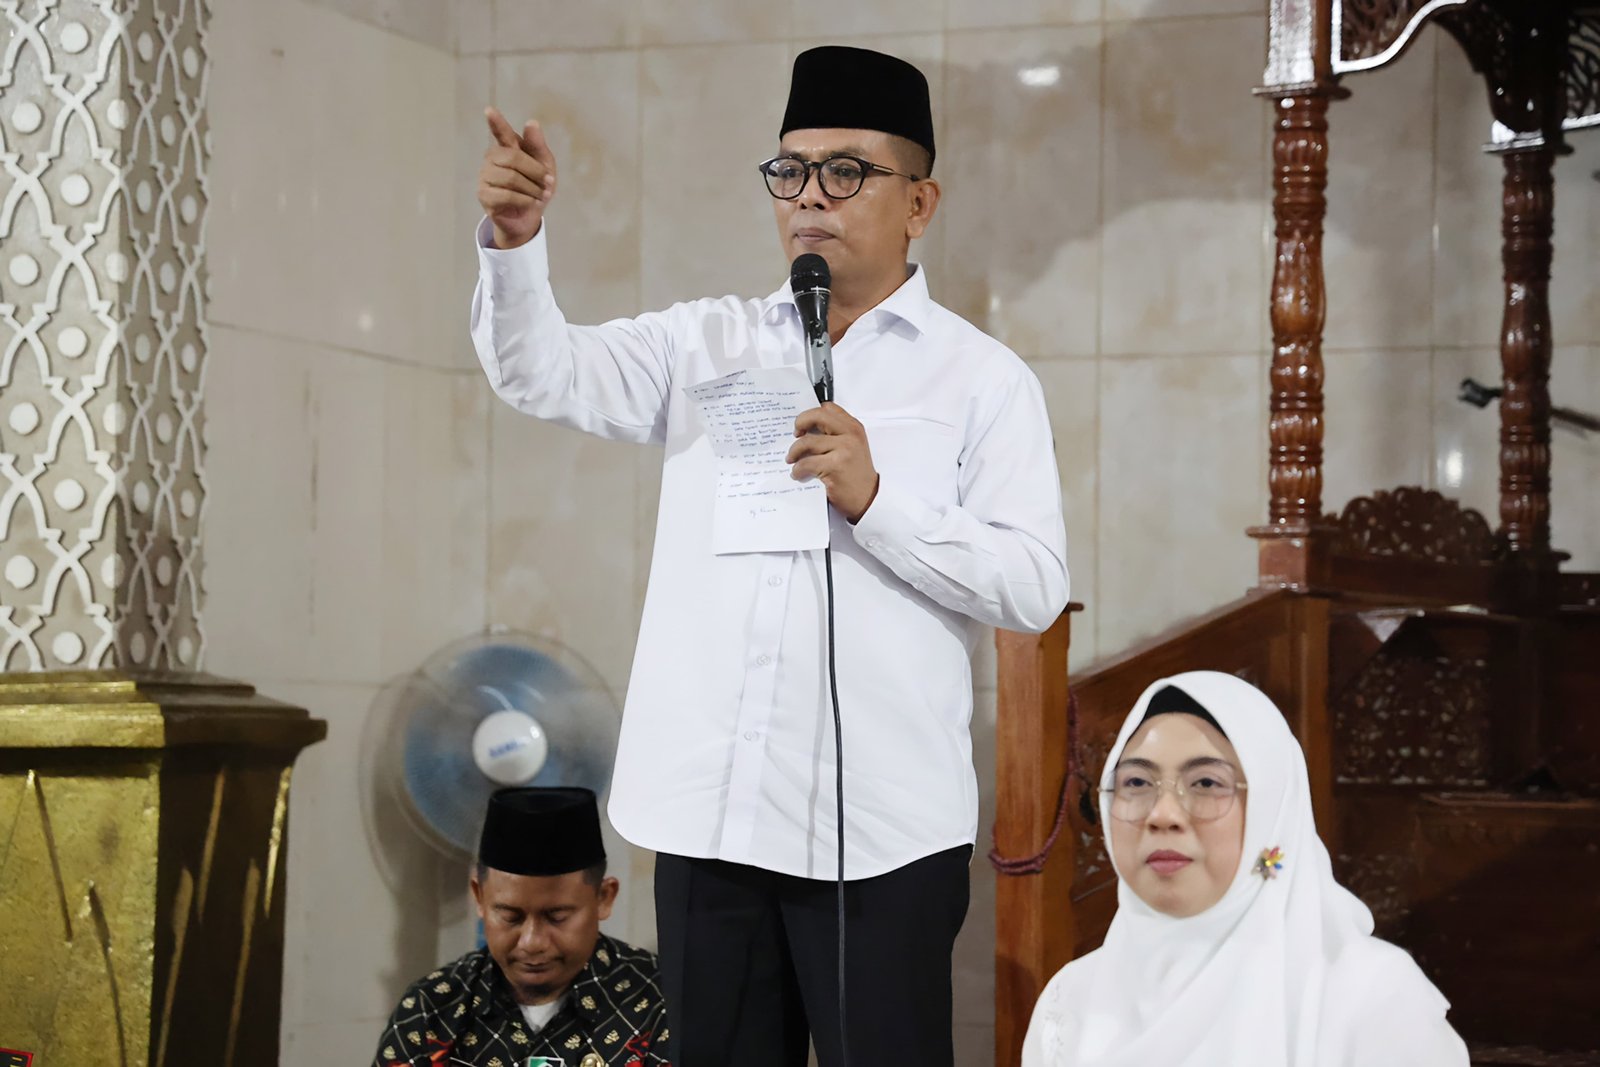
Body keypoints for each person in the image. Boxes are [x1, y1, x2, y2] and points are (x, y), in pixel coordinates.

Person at [471, 44, 1069, 1066]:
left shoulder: (981, 380)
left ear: (919, 202)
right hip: (713, 818)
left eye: (846, 171)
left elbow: (1033, 585)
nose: (809, 197)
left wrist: (878, 499)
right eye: (789, 171)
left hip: (879, 834)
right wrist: (515, 246)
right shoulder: (704, 343)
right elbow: (540, 372)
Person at [1021, 672, 1469, 1067]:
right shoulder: (1073, 998)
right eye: (1136, 782)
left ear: (1272, 815)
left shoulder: (1368, 995)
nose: (1163, 814)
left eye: (1206, 783)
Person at [372, 788, 670, 1066]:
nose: (532, 942)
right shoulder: (432, 1010)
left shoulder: (658, 1003)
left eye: (557, 917)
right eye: (511, 917)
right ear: (479, 897)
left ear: (604, 898)